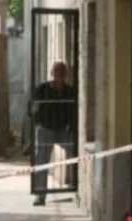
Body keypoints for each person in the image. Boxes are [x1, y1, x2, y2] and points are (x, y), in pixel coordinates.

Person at [31, 61, 76, 206]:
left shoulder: (70, 91)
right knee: (42, 161)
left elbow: (75, 111)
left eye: (61, 73)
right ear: (52, 73)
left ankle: (76, 186)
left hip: (64, 130)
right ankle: (40, 195)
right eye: (56, 73)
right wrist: (38, 122)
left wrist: (72, 126)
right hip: (46, 129)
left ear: (65, 75)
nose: (59, 76)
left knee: (77, 155)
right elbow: (32, 108)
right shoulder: (42, 89)